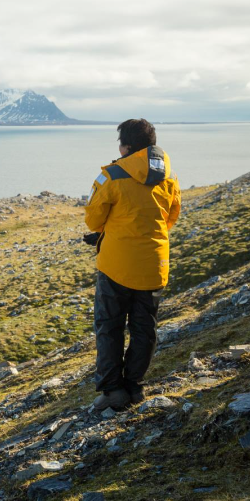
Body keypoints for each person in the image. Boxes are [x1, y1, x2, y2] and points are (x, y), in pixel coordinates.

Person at [83, 118, 181, 411]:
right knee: (144, 329)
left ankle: (113, 391)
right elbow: (171, 219)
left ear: (125, 146)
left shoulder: (111, 176)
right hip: (154, 265)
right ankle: (135, 387)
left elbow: (93, 219)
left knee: (109, 327)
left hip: (116, 267)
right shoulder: (169, 177)